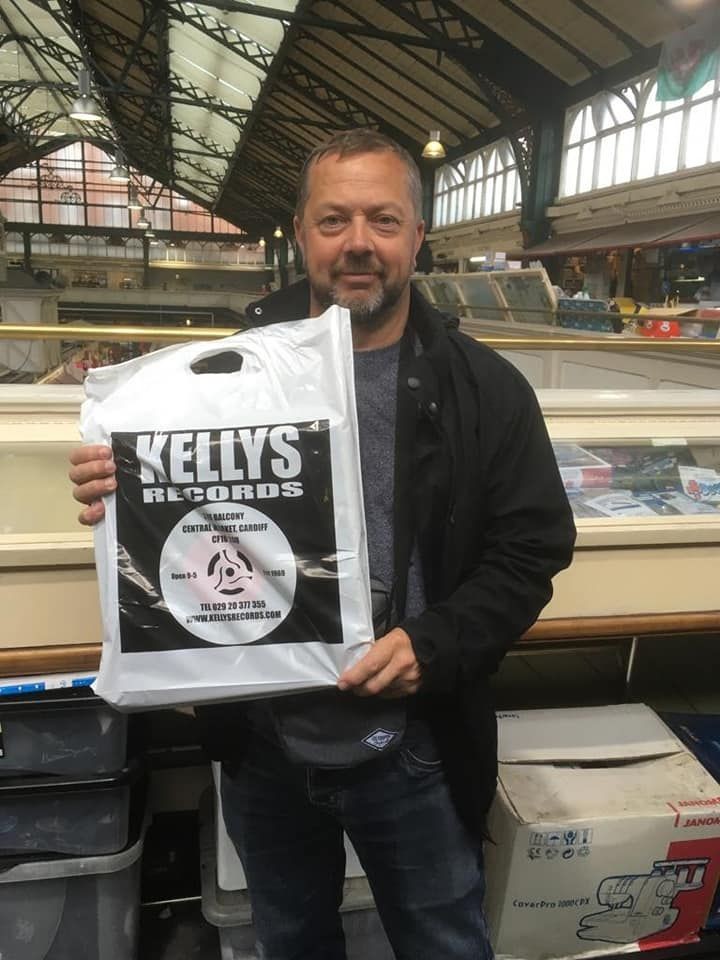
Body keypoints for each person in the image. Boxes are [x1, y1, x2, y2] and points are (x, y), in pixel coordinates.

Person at [69, 128, 576, 960]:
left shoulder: (484, 388)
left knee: (445, 942)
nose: (358, 244)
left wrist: (433, 643)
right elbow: (181, 536)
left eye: (383, 220)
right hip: (262, 738)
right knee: (291, 940)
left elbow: (532, 548)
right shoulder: (213, 386)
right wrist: (118, 490)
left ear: (417, 235)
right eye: (334, 220)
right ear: (301, 233)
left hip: (413, 739)